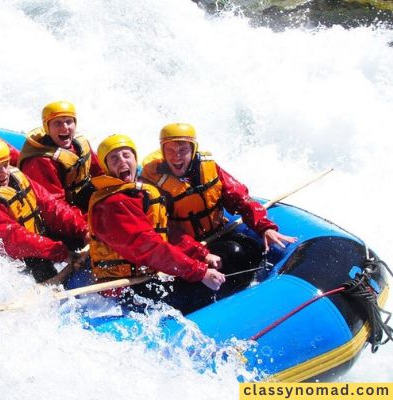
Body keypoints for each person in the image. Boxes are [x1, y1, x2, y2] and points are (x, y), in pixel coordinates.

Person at [141, 123, 297, 287]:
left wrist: (265, 227)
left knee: (252, 248)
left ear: (193, 150)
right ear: (163, 152)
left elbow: (240, 198)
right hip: (185, 248)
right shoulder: (154, 185)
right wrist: (200, 253)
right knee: (232, 253)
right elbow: (167, 232)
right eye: (170, 150)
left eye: (183, 150)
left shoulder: (209, 167)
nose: (176, 156)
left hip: (217, 233)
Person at [88, 134, 225, 312]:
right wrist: (199, 271)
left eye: (126, 155)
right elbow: (150, 247)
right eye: (114, 158)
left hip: (147, 273)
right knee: (200, 291)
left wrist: (201, 254)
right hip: (125, 288)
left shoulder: (137, 193)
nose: (122, 161)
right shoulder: (111, 205)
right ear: (106, 167)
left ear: (135, 159)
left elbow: (166, 232)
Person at [0, 138, 88, 283]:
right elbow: (12, 239)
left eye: (5, 165)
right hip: (2, 249)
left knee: (76, 239)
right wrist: (59, 252)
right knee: (40, 264)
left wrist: (83, 230)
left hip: (29, 236)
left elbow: (50, 205)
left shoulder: (15, 177)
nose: (4, 173)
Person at [18, 101, 103, 211]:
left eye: (69, 121)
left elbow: (100, 173)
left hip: (84, 199)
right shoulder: (40, 162)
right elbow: (54, 208)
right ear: (47, 128)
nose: (65, 128)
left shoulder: (81, 143)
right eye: (57, 123)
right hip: (67, 212)